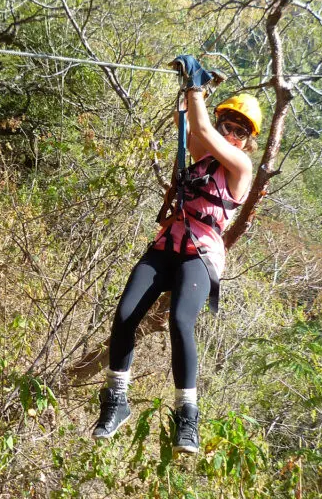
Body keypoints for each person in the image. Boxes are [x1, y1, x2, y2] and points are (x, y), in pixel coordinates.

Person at [91, 55, 261, 453]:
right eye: (227, 126)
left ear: (247, 140)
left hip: (199, 254)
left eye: (239, 131)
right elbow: (184, 122)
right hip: (168, 245)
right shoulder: (203, 150)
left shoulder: (240, 166)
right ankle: (116, 401)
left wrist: (198, 86)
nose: (231, 135)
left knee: (181, 321)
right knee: (124, 314)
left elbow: (198, 125)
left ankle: (188, 417)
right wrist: (191, 89)